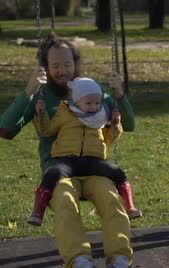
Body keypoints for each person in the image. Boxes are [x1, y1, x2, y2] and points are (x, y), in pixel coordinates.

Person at [0, 35, 135, 268]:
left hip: (95, 169)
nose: (62, 71)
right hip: (59, 171)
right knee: (64, 203)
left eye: (67, 64)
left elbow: (129, 124)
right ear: (46, 68)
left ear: (75, 63)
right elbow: (6, 129)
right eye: (55, 66)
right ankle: (80, 260)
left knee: (112, 200)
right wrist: (27, 94)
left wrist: (119, 95)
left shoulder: (93, 90)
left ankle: (120, 258)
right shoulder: (41, 94)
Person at [28, 77, 142, 227]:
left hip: (93, 161)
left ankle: (130, 206)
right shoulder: (64, 113)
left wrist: (116, 124)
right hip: (68, 160)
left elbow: (109, 138)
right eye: (88, 103)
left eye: (96, 103)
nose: (93, 107)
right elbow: (47, 130)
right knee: (52, 173)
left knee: (117, 172)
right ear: (76, 101)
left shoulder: (100, 117)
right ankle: (37, 211)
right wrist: (41, 114)